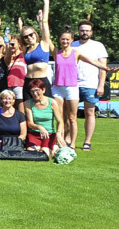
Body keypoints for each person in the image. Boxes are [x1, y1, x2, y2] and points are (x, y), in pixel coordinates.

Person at [73, 20, 109, 151]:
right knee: (71, 114)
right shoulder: (72, 45)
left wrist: (101, 85)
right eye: (82, 30)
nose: (84, 32)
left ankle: (87, 142)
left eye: (87, 30)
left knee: (90, 112)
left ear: (91, 32)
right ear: (78, 31)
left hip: (90, 84)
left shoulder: (98, 46)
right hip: (73, 85)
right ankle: (70, 140)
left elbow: (102, 67)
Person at [25, 79, 66, 157]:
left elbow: (60, 121)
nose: (34, 93)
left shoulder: (52, 102)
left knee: (45, 154)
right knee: (32, 152)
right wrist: (39, 127)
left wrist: (59, 133)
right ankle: (53, 149)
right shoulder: (28, 103)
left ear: (43, 90)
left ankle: (53, 148)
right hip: (34, 133)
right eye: (32, 91)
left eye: (37, 90)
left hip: (49, 134)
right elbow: (30, 123)